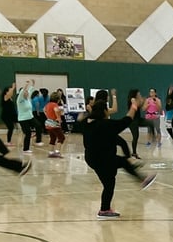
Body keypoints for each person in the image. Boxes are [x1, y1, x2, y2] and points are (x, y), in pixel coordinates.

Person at [80, 89, 156, 219]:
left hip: (92, 159)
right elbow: (126, 120)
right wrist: (134, 106)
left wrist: (81, 118)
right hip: (102, 158)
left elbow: (78, 124)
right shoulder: (105, 124)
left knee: (109, 183)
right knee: (122, 163)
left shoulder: (87, 124)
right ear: (104, 111)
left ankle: (104, 210)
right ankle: (141, 179)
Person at [16, 79, 36, 154]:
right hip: (23, 119)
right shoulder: (20, 100)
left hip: (30, 118)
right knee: (28, 133)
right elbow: (22, 92)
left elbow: (30, 90)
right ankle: (26, 149)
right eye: (25, 92)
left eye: (27, 92)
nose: (27, 93)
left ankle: (36, 135)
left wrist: (33, 84)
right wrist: (26, 84)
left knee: (38, 125)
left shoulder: (27, 98)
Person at [43, 92, 66, 158]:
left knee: (53, 137)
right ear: (58, 99)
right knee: (61, 137)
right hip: (54, 122)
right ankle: (57, 152)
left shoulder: (48, 104)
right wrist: (58, 118)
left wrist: (48, 116)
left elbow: (44, 110)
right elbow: (56, 110)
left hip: (48, 122)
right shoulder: (55, 105)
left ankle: (51, 152)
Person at [126, 89, 143, 159]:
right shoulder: (133, 99)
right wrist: (140, 101)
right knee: (135, 137)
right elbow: (136, 105)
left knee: (136, 137)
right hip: (132, 121)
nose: (139, 94)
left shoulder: (136, 100)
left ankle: (134, 153)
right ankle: (134, 153)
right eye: (138, 94)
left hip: (137, 120)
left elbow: (140, 106)